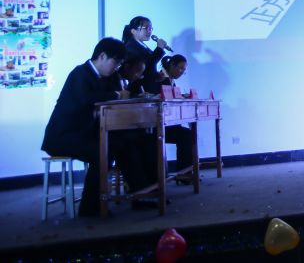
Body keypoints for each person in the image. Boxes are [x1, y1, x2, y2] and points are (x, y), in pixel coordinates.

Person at [41, 38, 152, 216]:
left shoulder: (107, 77)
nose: (117, 67)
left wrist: (118, 92)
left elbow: (114, 95)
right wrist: (116, 94)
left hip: (85, 133)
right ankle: (90, 207)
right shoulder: (80, 73)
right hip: (62, 137)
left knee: (126, 143)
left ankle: (141, 196)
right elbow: (86, 99)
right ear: (102, 56)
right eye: (116, 62)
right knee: (102, 152)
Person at [159, 54, 195, 180]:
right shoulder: (161, 78)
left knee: (188, 134)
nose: (181, 72)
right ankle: (184, 173)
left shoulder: (171, 80)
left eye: (184, 70)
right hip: (159, 124)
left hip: (168, 123)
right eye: (180, 68)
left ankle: (185, 172)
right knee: (186, 135)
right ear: (172, 65)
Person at [122, 16, 167, 94]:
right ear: (133, 31)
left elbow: (148, 67)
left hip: (148, 88)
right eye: (146, 28)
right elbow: (144, 65)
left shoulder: (143, 46)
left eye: (150, 28)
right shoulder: (130, 46)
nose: (149, 31)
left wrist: (155, 75)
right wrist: (159, 49)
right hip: (138, 90)